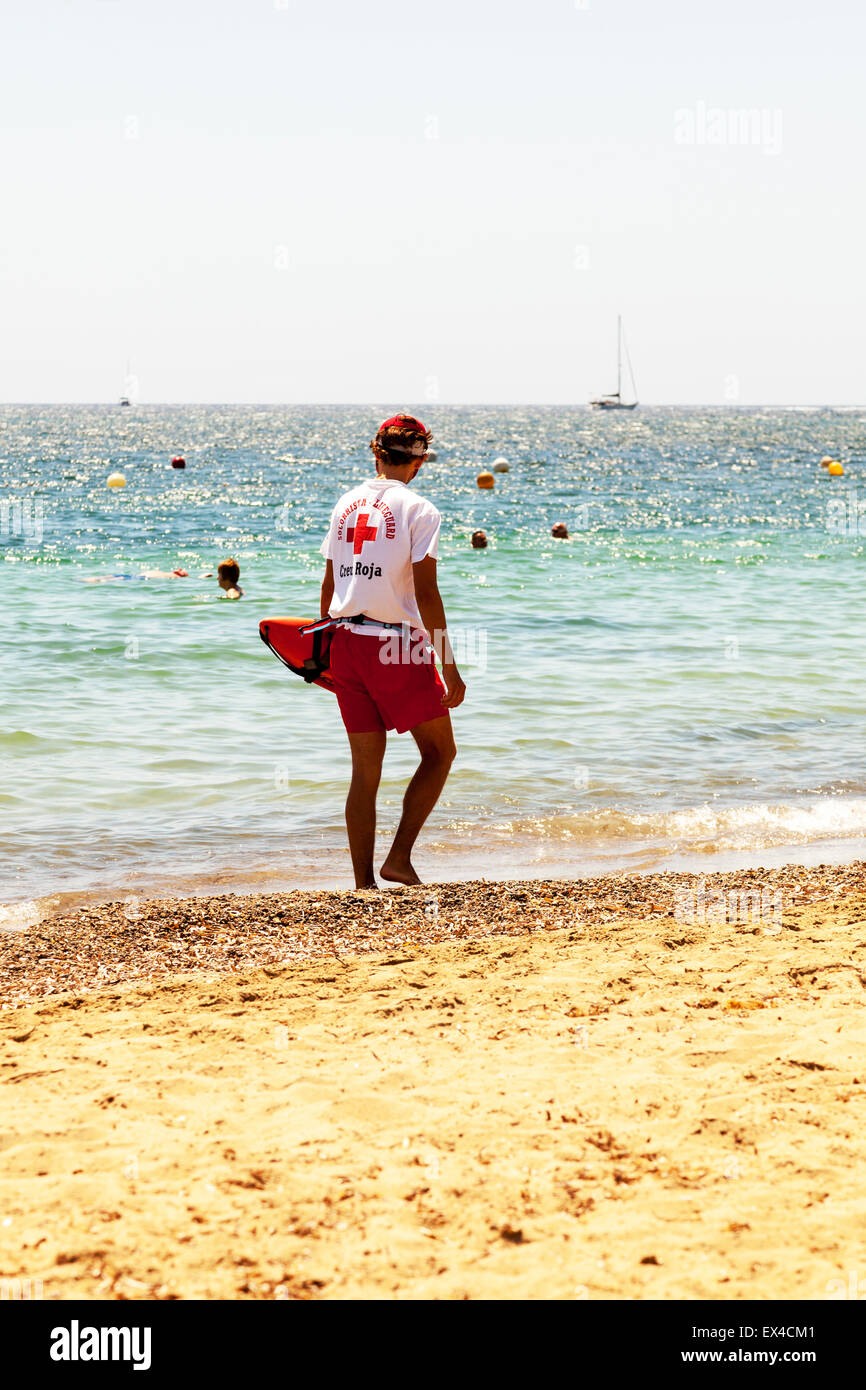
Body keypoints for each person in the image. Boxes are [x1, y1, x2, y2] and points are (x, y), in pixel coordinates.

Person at [319, 413, 465, 888]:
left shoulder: (345, 504)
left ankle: (363, 883)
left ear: (376, 453)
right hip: (393, 647)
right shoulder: (419, 510)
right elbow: (427, 594)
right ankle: (399, 858)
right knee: (439, 753)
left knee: (365, 770)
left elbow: (329, 583)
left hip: (343, 641)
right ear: (420, 461)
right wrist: (449, 664)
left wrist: (323, 652)